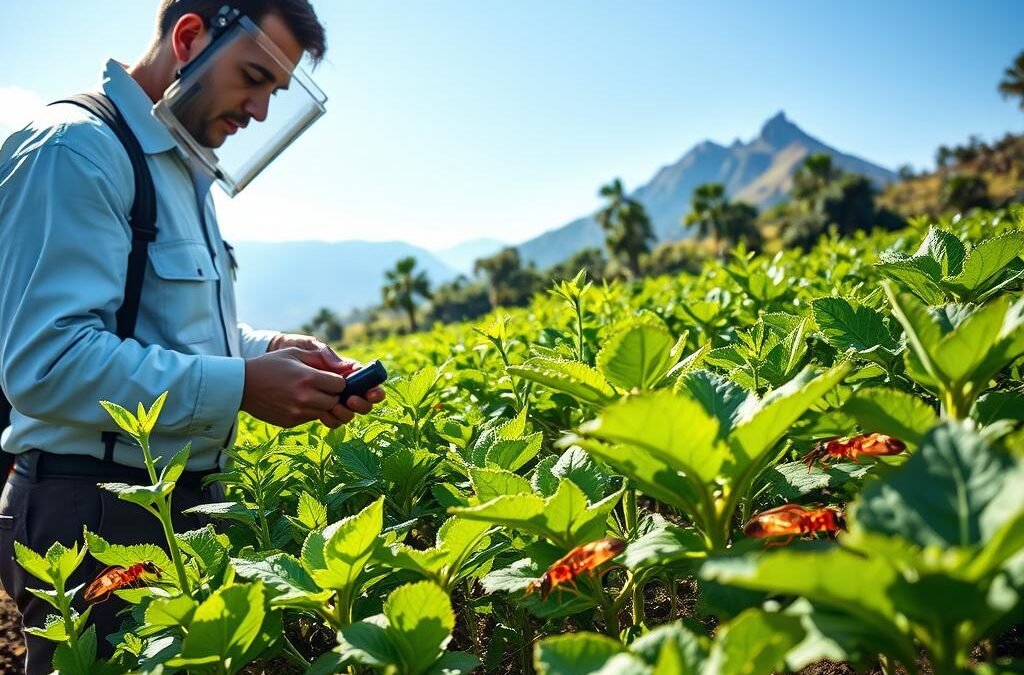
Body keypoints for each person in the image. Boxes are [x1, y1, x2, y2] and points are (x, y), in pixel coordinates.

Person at [0, 1, 384, 671]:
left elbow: (157, 325)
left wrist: (267, 352)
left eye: (275, 91)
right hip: (93, 515)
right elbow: (47, 359)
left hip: (178, 505)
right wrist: (240, 385)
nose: (260, 111)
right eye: (254, 77)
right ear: (188, 38)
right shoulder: (76, 149)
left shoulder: (180, 164)